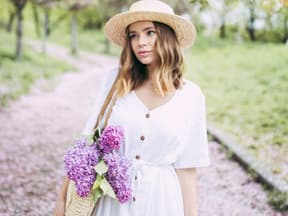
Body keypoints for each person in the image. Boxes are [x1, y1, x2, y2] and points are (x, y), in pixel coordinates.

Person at [54, 0, 210, 215]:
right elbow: (87, 145)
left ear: (166, 36)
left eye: (149, 33)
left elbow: (187, 169)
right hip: (113, 203)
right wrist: (63, 202)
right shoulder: (115, 82)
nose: (140, 42)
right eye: (133, 35)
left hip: (162, 203)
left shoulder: (191, 96)